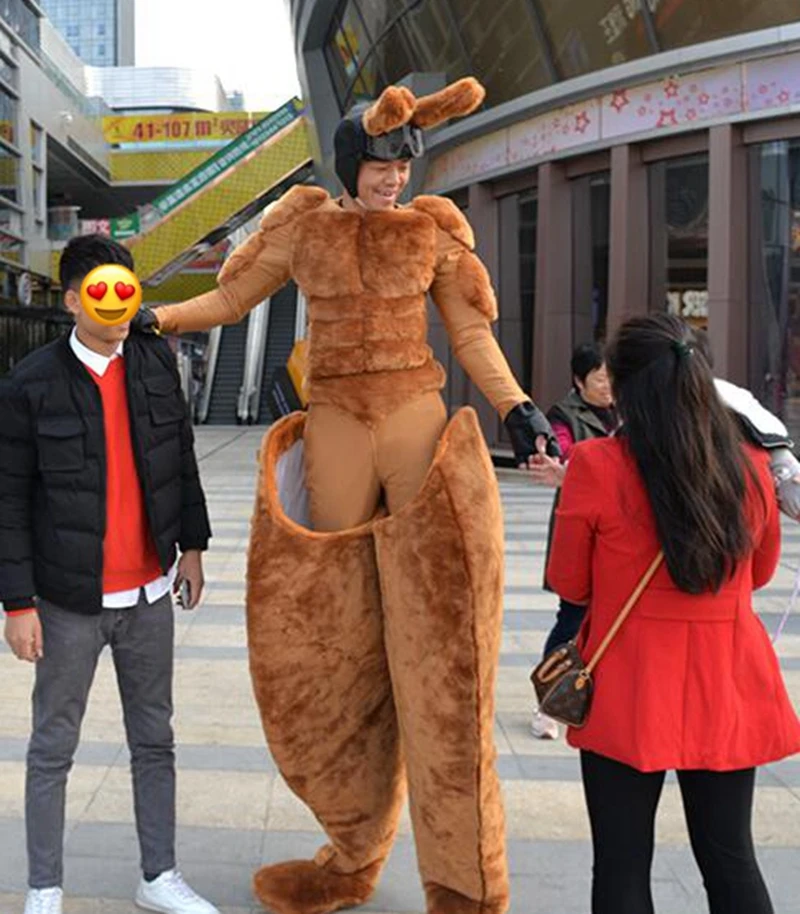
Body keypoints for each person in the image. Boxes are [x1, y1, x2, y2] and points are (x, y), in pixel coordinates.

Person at [133, 78, 557, 914]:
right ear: (350, 162)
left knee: (441, 650)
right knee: (337, 639)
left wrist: (517, 406)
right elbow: (231, 297)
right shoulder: (304, 228)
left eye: (403, 163)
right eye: (380, 162)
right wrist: (163, 317)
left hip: (413, 422)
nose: (393, 178)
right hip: (333, 426)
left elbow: (471, 332)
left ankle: (465, 881)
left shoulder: (434, 233)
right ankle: (350, 852)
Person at [546, 314, 800, 914]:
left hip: (627, 684)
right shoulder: (749, 466)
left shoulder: (595, 465)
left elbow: (569, 582)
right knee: (731, 858)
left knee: (622, 862)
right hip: (727, 678)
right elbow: (758, 574)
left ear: (626, 386)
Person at [0, 235, 217, 914]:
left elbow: (178, 454)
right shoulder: (30, 384)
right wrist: (16, 603)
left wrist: (194, 546)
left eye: (127, 287)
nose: (119, 302)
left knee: (155, 740)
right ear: (72, 301)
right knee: (52, 747)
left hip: (150, 594)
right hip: (69, 603)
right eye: (102, 290)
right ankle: (44, 888)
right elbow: (7, 498)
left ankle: (159, 876)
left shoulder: (154, 362)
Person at [530, 343, 616, 740]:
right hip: (579, 526)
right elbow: (565, 453)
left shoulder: (629, 408)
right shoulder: (563, 415)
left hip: (618, 527)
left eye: (610, 377)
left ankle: (598, 696)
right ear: (579, 381)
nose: (607, 386)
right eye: (599, 378)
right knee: (572, 616)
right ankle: (548, 703)